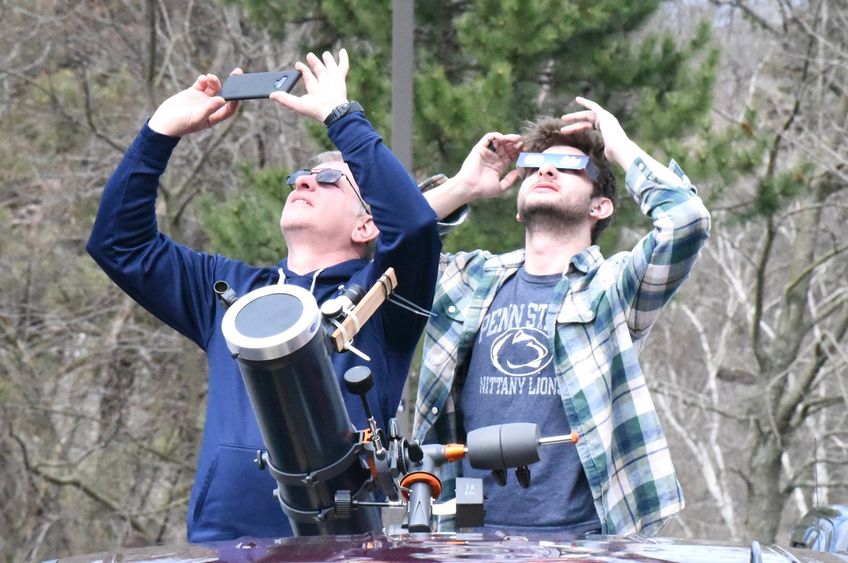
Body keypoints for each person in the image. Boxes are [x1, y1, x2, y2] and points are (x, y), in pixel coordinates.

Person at [87, 49, 440, 542]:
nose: (303, 182)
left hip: (340, 546)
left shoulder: (385, 299)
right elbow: (120, 244)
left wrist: (342, 119)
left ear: (366, 223)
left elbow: (415, 226)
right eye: (297, 177)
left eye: (329, 178)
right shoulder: (230, 293)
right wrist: (159, 133)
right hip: (222, 544)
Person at [414, 97, 711, 536]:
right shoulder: (470, 279)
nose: (546, 171)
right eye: (534, 165)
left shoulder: (613, 286)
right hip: (466, 535)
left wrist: (619, 148)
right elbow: (388, 243)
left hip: (582, 541)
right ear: (517, 205)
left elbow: (687, 221)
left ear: (601, 207)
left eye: (568, 167)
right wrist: (463, 186)